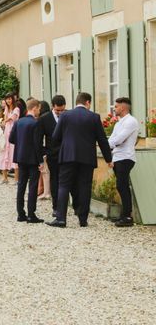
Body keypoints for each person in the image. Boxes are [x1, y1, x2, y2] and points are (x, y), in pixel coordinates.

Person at [47, 92, 112, 228]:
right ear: (88, 102)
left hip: (67, 156)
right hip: (87, 158)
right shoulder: (94, 117)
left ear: (76, 102)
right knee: (84, 187)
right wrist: (108, 159)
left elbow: (55, 136)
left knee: (64, 186)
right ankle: (83, 219)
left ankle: (61, 219)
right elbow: (102, 140)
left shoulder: (65, 115)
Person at [9, 98, 44, 223]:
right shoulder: (35, 123)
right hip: (33, 158)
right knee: (33, 186)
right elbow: (37, 144)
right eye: (39, 109)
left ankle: (20, 214)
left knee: (21, 185)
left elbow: (11, 139)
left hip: (20, 157)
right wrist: (41, 161)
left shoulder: (18, 122)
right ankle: (31, 214)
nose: (39, 111)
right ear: (34, 108)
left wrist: (22, 143)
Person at [108, 97, 139, 227]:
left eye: (116, 106)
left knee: (123, 185)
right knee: (121, 186)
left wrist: (104, 145)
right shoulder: (118, 123)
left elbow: (119, 140)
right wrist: (109, 151)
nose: (114, 109)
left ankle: (127, 216)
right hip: (118, 157)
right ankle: (124, 215)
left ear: (123, 107)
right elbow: (113, 139)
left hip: (126, 157)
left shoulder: (131, 121)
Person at [37, 95, 68, 216]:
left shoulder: (69, 116)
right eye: (57, 110)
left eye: (62, 110)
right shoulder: (44, 119)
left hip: (68, 154)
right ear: (52, 107)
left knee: (67, 181)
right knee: (54, 181)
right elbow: (38, 139)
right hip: (53, 155)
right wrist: (44, 152)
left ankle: (71, 205)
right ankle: (56, 207)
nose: (60, 113)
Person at [0, 93, 19, 184]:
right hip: (6, 132)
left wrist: (4, 121)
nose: (8, 101)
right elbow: (5, 120)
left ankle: (16, 179)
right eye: (7, 99)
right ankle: (5, 178)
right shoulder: (6, 109)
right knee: (4, 153)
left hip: (13, 131)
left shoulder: (16, 109)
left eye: (10, 99)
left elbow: (11, 119)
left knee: (14, 154)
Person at [37, 100, 52, 199]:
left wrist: (42, 150)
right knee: (45, 172)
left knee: (45, 172)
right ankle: (46, 191)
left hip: (46, 149)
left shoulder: (43, 119)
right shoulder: (50, 117)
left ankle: (47, 192)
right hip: (48, 149)